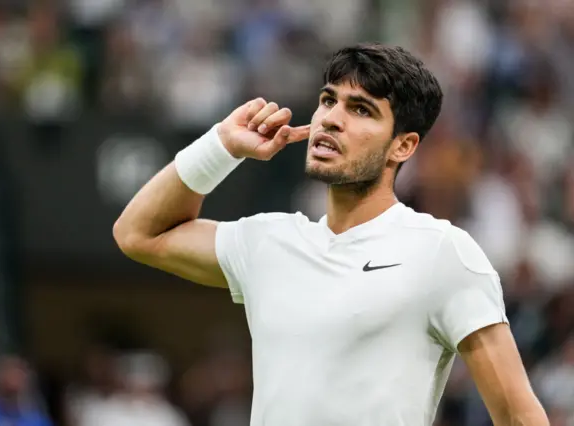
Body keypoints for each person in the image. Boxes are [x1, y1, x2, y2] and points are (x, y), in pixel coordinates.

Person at [113, 43, 548, 426]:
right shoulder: (268, 241)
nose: (331, 120)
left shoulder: (442, 252)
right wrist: (221, 145)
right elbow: (138, 234)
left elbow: (518, 416)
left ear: (404, 146)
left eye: (361, 109)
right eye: (328, 101)